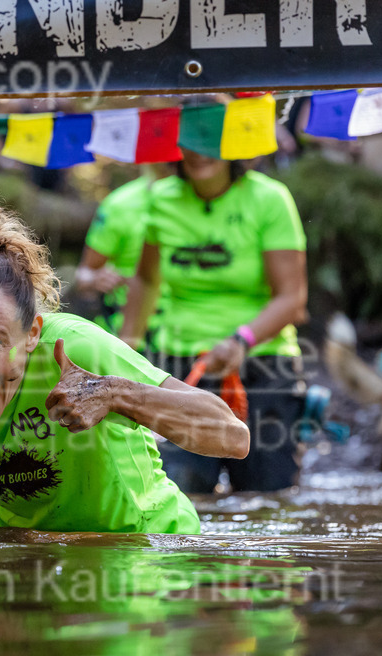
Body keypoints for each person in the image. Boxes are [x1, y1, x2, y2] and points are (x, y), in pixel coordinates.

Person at [0, 198, 248, 533]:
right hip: (27, 550)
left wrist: (113, 393)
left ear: (33, 332)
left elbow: (233, 437)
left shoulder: (80, 349)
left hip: (145, 547)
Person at [119, 147, 308, 493]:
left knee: (266, 499)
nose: (198, 152)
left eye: (209, 140)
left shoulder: (269, 198)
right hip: (181, 370)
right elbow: (146, 280)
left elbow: (292, 298)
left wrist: (242, 341)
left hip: (261, 367)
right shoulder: (162, 199)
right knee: (180, 492)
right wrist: (126, 356)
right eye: (189, 140)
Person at [74, 168, 167, 337]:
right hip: (124, 331)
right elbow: (83, 275)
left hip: (192, 334)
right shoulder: (120, 204)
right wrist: (97, 279)